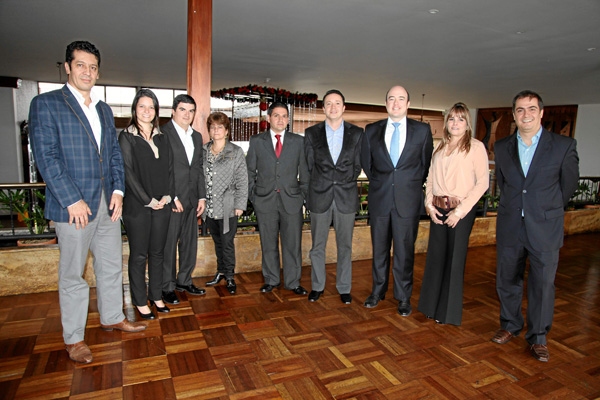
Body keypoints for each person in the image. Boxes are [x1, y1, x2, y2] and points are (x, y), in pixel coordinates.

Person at [28, 40, 146, 364]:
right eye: (80, 65)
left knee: (110, 266)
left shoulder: (103, 109)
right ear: (67, 67)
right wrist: (72, 200)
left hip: (107, 205)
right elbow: (47, 157)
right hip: (73, 210)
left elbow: (113, 155)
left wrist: (118, 191)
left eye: (93, 67)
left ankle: (112, 317)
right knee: (73, 276)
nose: (87, 72)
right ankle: (74, 338)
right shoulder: (46, 104)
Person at [491, 90, 579, 362]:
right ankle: (510, 324)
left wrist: (545, 209)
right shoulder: (502, 146)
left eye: (531, 109)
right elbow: (505, 184)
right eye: (520, 110)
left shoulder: (564, 145)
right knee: (507, 279)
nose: (525, 114)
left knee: (542, 285)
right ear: (514, 115)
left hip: (545, 227)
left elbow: (568, 186)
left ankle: (538, 336)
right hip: (510, 225)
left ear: (541, 113)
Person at [360, 85, 433, 315]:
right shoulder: (371, 130)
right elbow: (367, 163)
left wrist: (405, 184)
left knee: (404, 252)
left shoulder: (422, 131)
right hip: (380, 200)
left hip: (407, 202)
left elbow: (425, 165)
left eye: (401, 98)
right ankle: (377, 291)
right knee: (379, 251)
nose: (396, 103)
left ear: (408, 104)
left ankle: (403, 297)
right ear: (386, 103)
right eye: (391, 98)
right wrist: (384, 183)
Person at [417, 102, 489, 325]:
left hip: (461, 211)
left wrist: (459, 212)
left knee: (454, 261)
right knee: (436, 258)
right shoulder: (439, 147)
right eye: (451, 119)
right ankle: (430, 307)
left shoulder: (476, 147)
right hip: (437, 209)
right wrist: (429, 206)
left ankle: (447, 313)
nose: (455, 123)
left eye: (460, 119)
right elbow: (429, 180)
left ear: (468, 124)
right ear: (446, 123)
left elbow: (483, 183)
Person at [119, 89, 174, 319]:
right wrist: (147, 200)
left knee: (158, 253)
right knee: (139, 255)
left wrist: (168, 196)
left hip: (162, 204)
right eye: (142, 106)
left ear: (156, 111)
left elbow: (171, 169)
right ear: (134, 109)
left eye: (151, 107)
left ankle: (156, 296)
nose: (146, 111)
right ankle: (140, 301)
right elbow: (128, 173)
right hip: (138, 206)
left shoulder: (163, 137)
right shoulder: (126, 137)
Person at [304, 89, 363, 304]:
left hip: (346, 196)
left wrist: (343, 180)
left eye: (337, 103)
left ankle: (344, 287)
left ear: (344, 107)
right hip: (319, 196)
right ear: (323, 108)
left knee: (345, 246)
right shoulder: (312, 133)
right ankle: (317, 286)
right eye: (329, 103)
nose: (333, 107)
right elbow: (309, 165)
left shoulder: (357, 133)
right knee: (317, 246)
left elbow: (358, 165)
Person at [247, 101, 309, 295]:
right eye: (276, 115)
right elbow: (249, 171)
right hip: (264, 200)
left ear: (288, 119)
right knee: (268, 243)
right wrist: (253, 196)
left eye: (284, 116)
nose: (280, 119)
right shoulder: (257, 141)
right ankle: (271, 279)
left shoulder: (298, 142)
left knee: (293, 244)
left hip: (292, 201)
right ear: (268, 118)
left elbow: (305, 173)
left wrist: (302, 197)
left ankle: (293, 282)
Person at [161, 95, 206, 304]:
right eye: (182, 109)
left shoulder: (196, 136)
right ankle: (167, 286)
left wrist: (202, 196)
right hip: (173, 200)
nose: (187, 114)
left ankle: (184, 281)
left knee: (190, 244)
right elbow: (161, 170)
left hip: (192, 199)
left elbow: (198, 169)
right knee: (169, 245)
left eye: (191, 110)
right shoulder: (163, 134)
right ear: (173, 111)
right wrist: (172, 196)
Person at [202, 112, 248, 294]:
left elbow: (242, 180)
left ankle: (229, 276)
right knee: (217, 242)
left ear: (227, 130)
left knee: (227, 243)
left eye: (220, 127)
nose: (216, 130)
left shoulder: (235, 152)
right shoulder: (203, 151)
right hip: (209, 207)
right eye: (213, 127)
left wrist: (240, 205)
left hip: (228, 207)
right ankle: (220, 271)